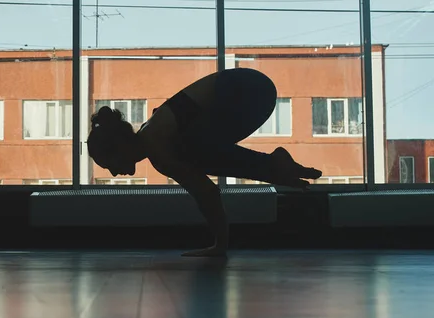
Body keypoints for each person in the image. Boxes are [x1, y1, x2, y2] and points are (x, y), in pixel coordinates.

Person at [87, 67, 322, 257]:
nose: (115, 173)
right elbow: (210, 177)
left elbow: (207, 194)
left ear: (119, 146)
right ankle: (275, 164)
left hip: (245, 90)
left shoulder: (157, 145)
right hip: (252, 87)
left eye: (109, 164)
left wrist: (220, 245)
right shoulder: (155, 134)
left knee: (194, 155)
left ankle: (274, 165)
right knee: (194, 153)